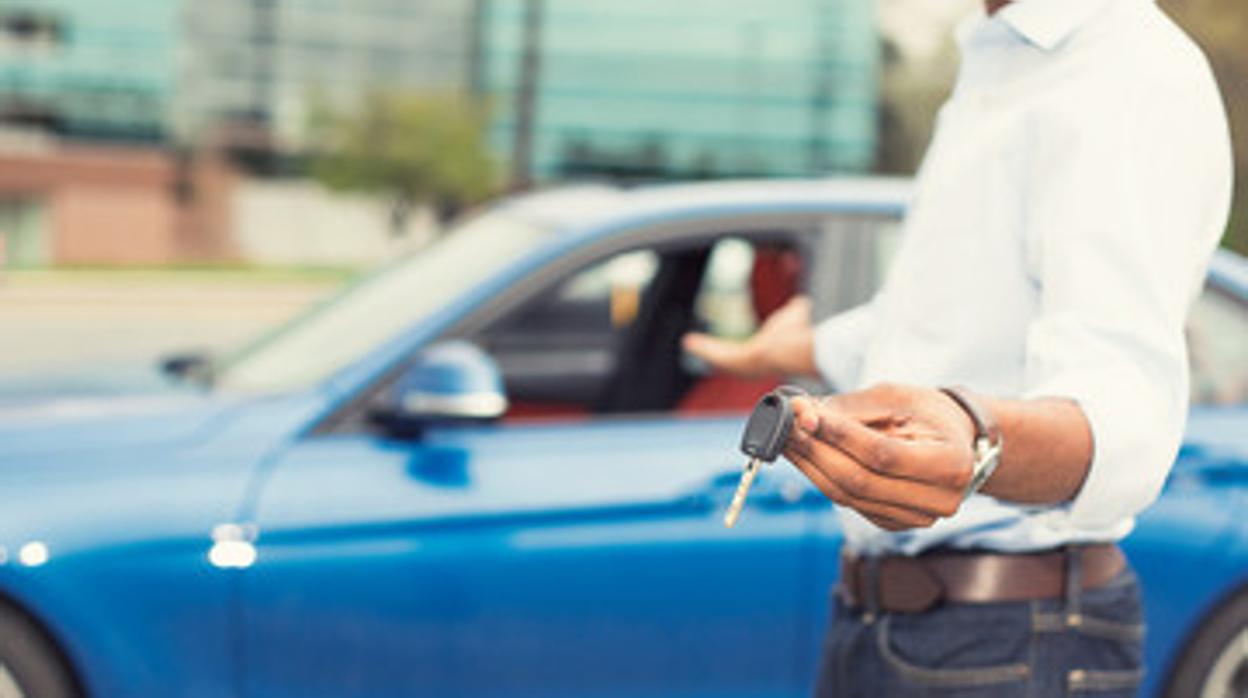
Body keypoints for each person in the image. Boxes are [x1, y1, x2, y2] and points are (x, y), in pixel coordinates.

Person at [683, 0, 1232, 695]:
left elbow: (1124, 405)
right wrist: (805, 345)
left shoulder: (1131, 71)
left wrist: (977, 436)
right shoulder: (995, 58)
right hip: (884, 620)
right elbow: (949, 321)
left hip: (1012, 638)